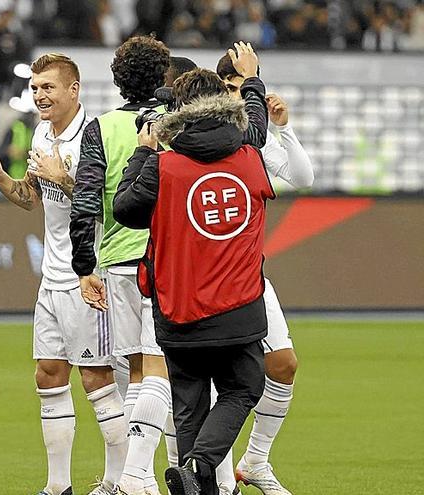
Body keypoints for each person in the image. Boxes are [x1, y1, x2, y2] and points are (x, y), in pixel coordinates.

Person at [112, 43, 270, 495]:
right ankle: (201, 465)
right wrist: (253, 80)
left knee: (188, 406)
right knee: (243, 388)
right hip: (238, 307)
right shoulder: (248, 157)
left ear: (176, 114)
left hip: (177, 309)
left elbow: (125, 209)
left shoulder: (163, 167)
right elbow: (255, 127)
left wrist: (143, 152)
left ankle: (194, 473)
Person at [0, 53, 126, 495]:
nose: (39, 95)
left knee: (96, 379)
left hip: (89, 274)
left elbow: (115, 210)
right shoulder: (41, 132)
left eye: (48, 87)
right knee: (49, 374)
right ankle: (58, 486)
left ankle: (120, 482)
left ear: (74, 90)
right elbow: (32, 198)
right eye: (36, 88)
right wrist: (0, 177)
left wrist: (70, 179)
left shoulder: (96, 136)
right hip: (51, 277)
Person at [69, 35, 172, 495]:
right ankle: (140, 477)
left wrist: (83, 265)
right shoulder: (176, 124)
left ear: (117, 80)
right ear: (164, 77)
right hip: (169, 262)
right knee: (165, 372)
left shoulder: (101, 128)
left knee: (137, 372)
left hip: (118, 263)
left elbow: (86, 199)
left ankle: (141, 479)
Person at [217, 51, 314, 495]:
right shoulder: (205, 137)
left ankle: (254, 460)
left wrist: (283, 128)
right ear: (218, 90)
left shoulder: (256, 140)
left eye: (246, 88)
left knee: (283, 364)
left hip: (250, 275)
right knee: (215, 382)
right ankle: (210, 478)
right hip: (206, 279)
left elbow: (302, 177)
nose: (240, 97)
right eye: (234, 87)